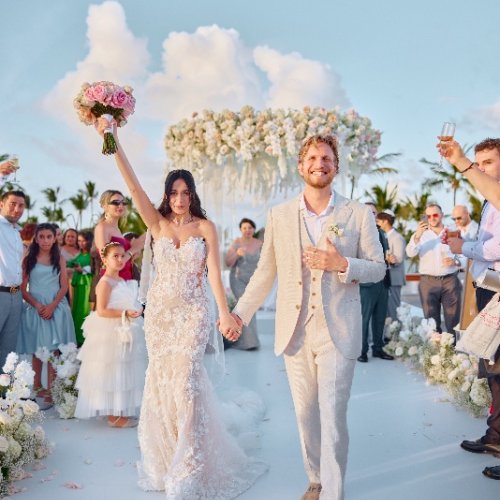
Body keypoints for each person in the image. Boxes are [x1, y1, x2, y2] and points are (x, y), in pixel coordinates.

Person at [94, 117, 267, 497]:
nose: (179, 198)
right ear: (167, 194)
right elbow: (133, 184)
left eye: (185, 192)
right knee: (163, 384)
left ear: (192, 195)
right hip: (159, 317)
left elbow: (215, 278)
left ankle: (188, 466)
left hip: (192, 314)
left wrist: (224, 314)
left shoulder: (205, 228)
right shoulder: (154, 224)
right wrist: (113, 138)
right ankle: (166, 455)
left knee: (186, 382)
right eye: (173, 192)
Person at [232, 134, 386, 500]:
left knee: (332, 416)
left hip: (338, 330)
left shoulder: (358, 213)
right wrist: (239, 314)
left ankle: (332, 492)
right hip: (295, 331)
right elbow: (265, 273)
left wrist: (342, 264)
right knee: (305, 414)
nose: (320, 163)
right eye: (313, 158)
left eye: (327, 158)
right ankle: (315, 478)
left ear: (336, 165)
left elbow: (379, 269)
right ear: (301, 166)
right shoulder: (279, 215)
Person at [441, 138, 500, 480]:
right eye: (477, 163)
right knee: (493, 368)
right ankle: (495, 437)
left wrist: (465, 246)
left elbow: (495, 249)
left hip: (497, 289)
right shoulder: (488, 202)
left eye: (488, 162)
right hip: (488, 289)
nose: (479, 169)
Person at [74, 241, 147, 427]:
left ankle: (119, 410)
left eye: (123, 255)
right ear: (104, 260)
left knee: (123, 369)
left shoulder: (121, 280)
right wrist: (124, 314)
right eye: (115, 256)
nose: (120, 259)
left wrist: (134, 312)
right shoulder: (105, 282)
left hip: (125, 327)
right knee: (112, 369)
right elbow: (102, 310)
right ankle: (113, 416)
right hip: (110, 329)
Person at [17, 223, 76, 401]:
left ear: (54, 238)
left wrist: (52, 306)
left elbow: (64, 285)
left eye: (49, 237)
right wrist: (36, 304)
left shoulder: (59, 258)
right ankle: (37, 386)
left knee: (54, 349)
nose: (45, 240)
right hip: (36, 307)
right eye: (41, 237)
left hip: (55, 306)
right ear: (36, 238)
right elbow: (23, 288)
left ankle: (52, 388)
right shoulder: (29, 259)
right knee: (37, 349)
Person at [405, 203, 461, 335]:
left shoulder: (452, 232)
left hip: (450, 281)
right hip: (427, 282)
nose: (432, 218)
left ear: (441, 215)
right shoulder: (420, 235)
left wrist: (455, 261)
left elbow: (463, 254)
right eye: (428, 216)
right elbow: (410, 253)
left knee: (452, 320)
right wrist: (417, 236)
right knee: (431, 322)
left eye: (435, 215)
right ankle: (435, 352)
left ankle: (449, 352)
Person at [357, 203, 393, 363]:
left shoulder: (382, 233)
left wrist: (389, 260)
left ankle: (378, 349)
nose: (371, 215)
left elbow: (385, 254)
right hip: (367, 283)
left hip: (383, 282)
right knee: (364, 319)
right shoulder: (357, 233)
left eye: (374, 213)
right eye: (368, 212)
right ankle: (361, 351)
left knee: (380, 318)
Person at [225, 218, 263, 350]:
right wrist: (236, 254)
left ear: (254, 229)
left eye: (250, 228)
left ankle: (251, 340)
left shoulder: (260, 243)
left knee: (251, 308)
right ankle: (247, 343)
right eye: (244, 228)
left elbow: (265, 263)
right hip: (238, 280)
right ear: (241, 230)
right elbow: (228, 263)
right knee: (244, 307)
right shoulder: (236, 243)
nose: (247, 230)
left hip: (253, 281)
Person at [0, 190, 25, 371]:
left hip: (16, 296)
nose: (17, 209)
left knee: (8, 350)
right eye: (12, 204)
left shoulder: (17, 233)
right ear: (1, 204)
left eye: (21, 205)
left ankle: (3, 396)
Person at [376, 210, 407, 322]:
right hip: (385, 279)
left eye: (378, 220)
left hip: (394, 279)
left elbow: (398, 259)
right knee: (386, 310)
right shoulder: (382, 236)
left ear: (385, 221)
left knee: (394, 309)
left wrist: (389, 259)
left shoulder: (397, 238)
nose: (376, 223)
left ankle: (394, 336)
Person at [67, 231, 93, 346]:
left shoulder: (92, 255)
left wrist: (82, 270)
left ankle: (84, 339)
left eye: (84, 241)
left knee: (84, 310)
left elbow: (94, 270)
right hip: (77, 286)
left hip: (86, 286)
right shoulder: (80, 255)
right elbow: (70, 263)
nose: (81, 243)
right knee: (76, 311)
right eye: (79, 241)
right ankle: (76, 338)